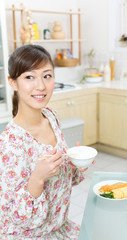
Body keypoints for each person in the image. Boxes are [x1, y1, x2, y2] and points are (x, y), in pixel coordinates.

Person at [0, 45, 88, 239]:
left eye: (47, 76)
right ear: (13, 83)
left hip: (59, 228)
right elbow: (16, 218)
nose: (40, 86)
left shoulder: (51, 116)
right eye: (29, 77)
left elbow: (59, 180)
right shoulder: (10, 144)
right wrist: (37, 178)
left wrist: (72, 163)